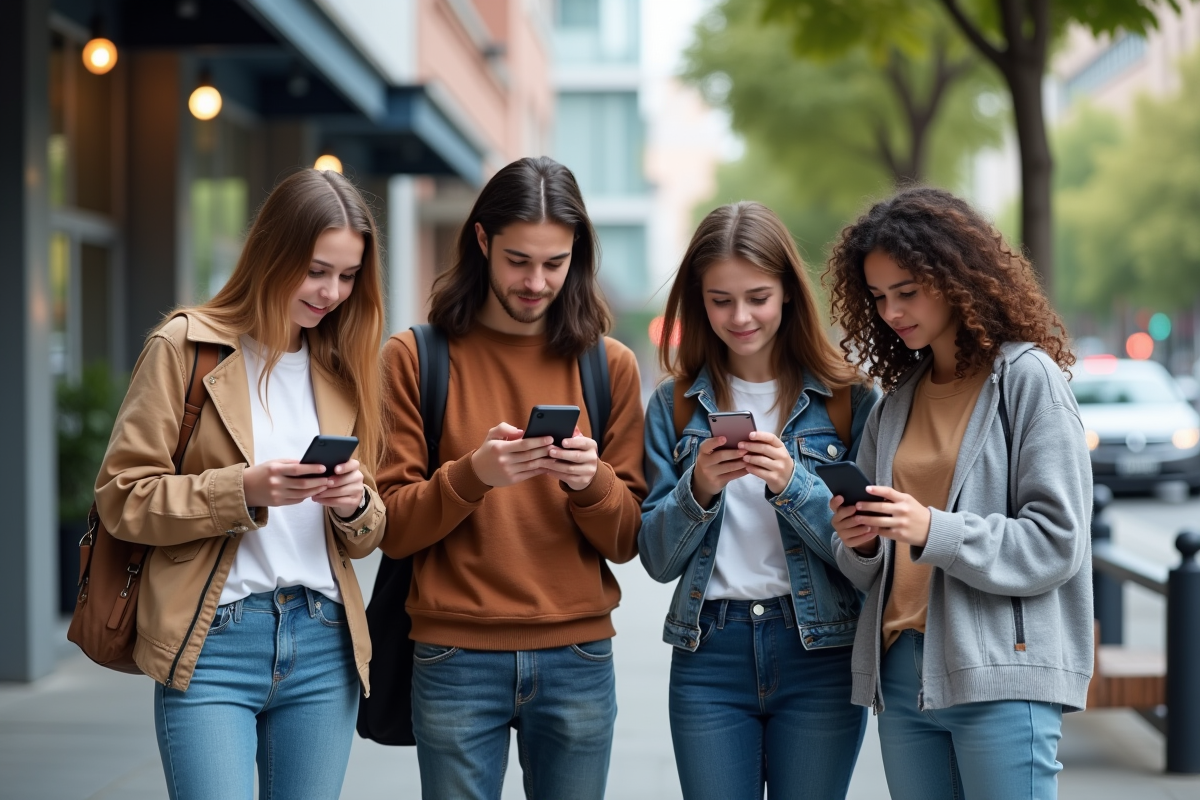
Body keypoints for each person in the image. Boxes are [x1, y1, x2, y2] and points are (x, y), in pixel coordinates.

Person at [94, 169, 388, 800]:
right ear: (271, 252)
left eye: (346, 275)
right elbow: (122, 498)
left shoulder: (343, 367)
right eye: (315, 270)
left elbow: (366, 534)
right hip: (213, 644)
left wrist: (354, 503)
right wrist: (243, 490)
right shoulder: (186, 346)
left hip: (322, 640)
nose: (331, 292)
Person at [376, 156, 647, 800]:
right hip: (454, 657)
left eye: (555, 263)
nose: (536, 281)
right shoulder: (415, 357)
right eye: (519, 260)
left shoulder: (611, 366)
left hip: (578, 656)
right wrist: (472, 475)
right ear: (481, 241)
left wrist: (591, 483)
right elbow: (391, 527)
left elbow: (628, 538)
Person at [825, 186, 1093, 800]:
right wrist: (860, 542)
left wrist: (932, 528)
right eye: (879, 297)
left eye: (907, 291)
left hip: (1000, 671)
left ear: (954, 277)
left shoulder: (1027, 379)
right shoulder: (896, 402)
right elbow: (867, 566)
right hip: (902, 675)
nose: (892, 311)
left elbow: (1059, 540)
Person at [639, 202, 879, 800]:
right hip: (709, 653)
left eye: (757, 297)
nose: (740, 316)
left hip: (820, 650)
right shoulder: (675, 406)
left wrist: (793, 485)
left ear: (788, 294)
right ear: (699, 302)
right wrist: (698, 489)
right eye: (720, 300)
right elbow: (656, 559)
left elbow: (868, 554)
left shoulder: (849, 400)